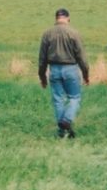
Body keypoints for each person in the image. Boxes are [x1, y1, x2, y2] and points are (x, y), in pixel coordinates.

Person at [38, 8, 90, 139]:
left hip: (54, 69)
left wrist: (42, 76)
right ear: (68, 18)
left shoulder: (47, 33)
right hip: (71, 69)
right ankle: (67, 120)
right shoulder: (74, 33)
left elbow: (42, 58)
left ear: (56, 18)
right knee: (74, 98)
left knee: (58, 100)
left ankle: (63, 131)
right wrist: (86, 74)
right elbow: (81, 56)